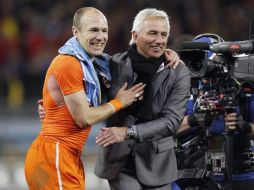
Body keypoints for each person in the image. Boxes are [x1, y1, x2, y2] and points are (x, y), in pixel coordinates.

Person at [31, 7, 181, 190]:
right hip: (54, 155)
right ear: (76, 32)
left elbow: (135, 56)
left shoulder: (91, 64)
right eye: (94, 30)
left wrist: (168, 52)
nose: (100, 36)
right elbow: (83, 118)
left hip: (66, 156)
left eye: (104, 30)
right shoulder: (69, 63)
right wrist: (119, 102)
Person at [94, 8, 190, 190]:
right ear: (135, 35)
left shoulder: (178, 72)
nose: (159, 40)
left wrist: (128, 132)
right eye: (152, 33)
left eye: (164, 35)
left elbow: (171, 122)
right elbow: (82, 90)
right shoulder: (114, 64)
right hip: (119, 161)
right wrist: (52, 107)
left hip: (157, 164)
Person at [174, 33, 254, 190]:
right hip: (197, 174)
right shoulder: (182, 89)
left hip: (244, 175)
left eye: (211, 61)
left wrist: (244, 127)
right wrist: (194, 120)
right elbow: (164, 131)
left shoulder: (243, 89)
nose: (206, 69)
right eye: (200, 62)